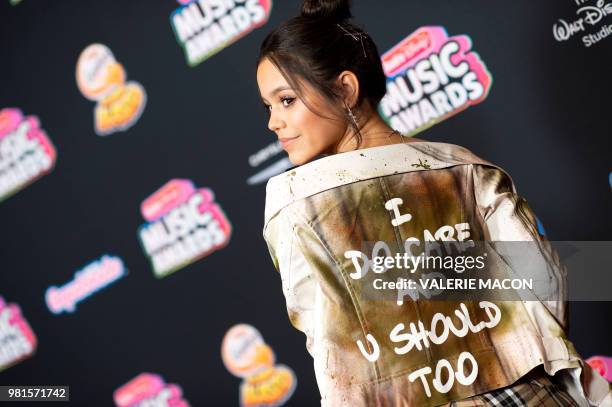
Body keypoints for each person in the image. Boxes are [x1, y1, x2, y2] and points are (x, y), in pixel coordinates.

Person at [257, 0, 612, 406]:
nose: (273, 122)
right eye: (267, 106)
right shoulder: (465, 166)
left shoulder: (293, 202)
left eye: (286, 100)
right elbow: (545, 282)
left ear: (345, 88)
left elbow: (328, 339)